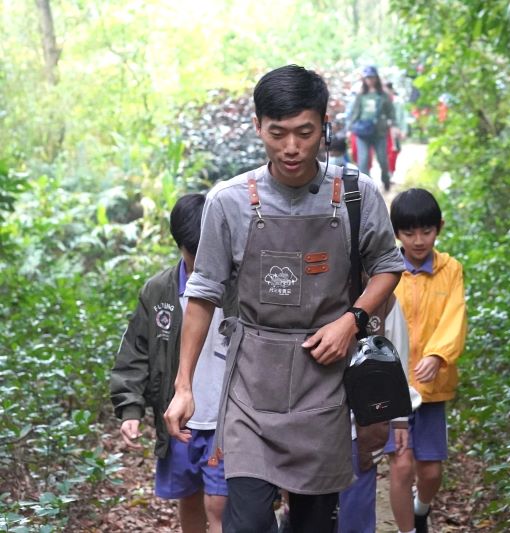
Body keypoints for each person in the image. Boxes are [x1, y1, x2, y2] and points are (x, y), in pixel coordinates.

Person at [164, 64, 404, 533]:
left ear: (324, 125)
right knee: (247, 522)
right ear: (258, 127)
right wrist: (184, 385)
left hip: (326, 381)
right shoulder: (228, 202)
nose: (291, 147)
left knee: (314, 522)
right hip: (252, 384)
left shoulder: (355, 194)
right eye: (277, 133)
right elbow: (203, 293)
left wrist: (350, 322)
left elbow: (387, 267)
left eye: (304, 132)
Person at [110, 193, 230, 533]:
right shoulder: (159, 291)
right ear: (181, 245)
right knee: (189, 497)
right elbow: (134, 353)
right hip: (179, 421)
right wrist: (130, 410)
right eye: (196, 254)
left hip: (225, 419)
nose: (204, 261)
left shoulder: (237, 287)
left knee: (219, 502)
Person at [385, 188, 467, 533]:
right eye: (409, 232)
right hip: (394, 388)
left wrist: (438, 355)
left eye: (426, 231)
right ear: (396, 233)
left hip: (432, 388)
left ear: (440, 228)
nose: (418, 240)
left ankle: (421, 508)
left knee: (431, 472)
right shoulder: (385, 270)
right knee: (401, 467)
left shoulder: (450, 270)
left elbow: (455, 316)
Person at [337, 296, 421, 533]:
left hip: (363, 424)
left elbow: (396, 355)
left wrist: (400, 419)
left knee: (356, 509)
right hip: (313, 420)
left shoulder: (384, 300)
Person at [348, 65, 396, 191]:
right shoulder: (361, 95)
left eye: (372, 77)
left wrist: (394, 125)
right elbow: (355, 112)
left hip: (379, 132)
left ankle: (386, 180)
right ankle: (367, 188)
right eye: (367, 77)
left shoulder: (383, 95)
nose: (369, 80)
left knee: (382, 160)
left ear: (376, 78)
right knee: (362, 161)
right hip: (362, 132)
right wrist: (350, 128)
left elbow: (391, 112)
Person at [384, 82, 407, 177]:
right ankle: (387, 173)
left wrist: (403, 130)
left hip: (395, 130)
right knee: (385, 152)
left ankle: (391, 172)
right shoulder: (381, 101)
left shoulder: (398, 102)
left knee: (395, 150)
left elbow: (402, 117)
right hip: (383, 130)